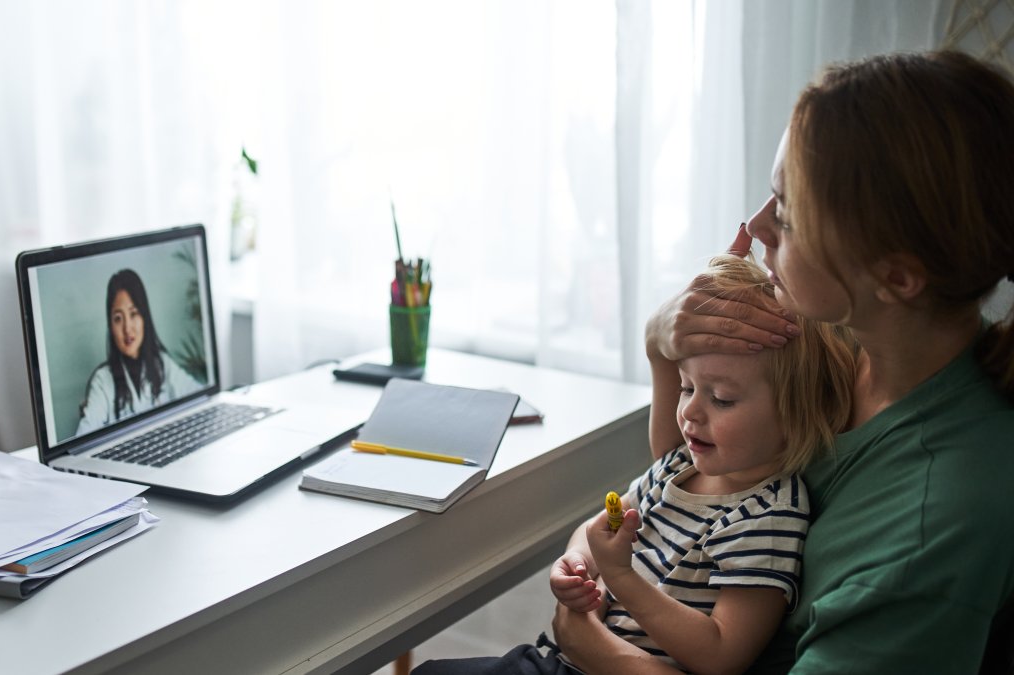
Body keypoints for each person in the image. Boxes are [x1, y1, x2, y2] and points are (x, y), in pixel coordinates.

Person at [553, 50, 1014, 673]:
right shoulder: (833, 339)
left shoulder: (939, 517)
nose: (759, 225)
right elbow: (690, 470)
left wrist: (598, 650)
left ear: (897, 276)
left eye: (790, 214)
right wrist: (666, 343)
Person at [414, 253, 856, 674]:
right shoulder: (678, 468)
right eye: (686, 388)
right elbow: (600, 527)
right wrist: (577, 563)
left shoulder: (770, 516)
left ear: (796, 411)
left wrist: (622, 576)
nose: (689, 412)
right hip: (558, 660)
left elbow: (722, 654)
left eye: (721, 398)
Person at [75, 268, 203, 436]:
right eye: (118, 318)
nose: (127, 328)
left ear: (145, 318)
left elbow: (201, 397)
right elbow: (84, 436)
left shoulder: (162, 365)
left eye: (134, 314)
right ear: (110, 326)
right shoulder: (103, 381)